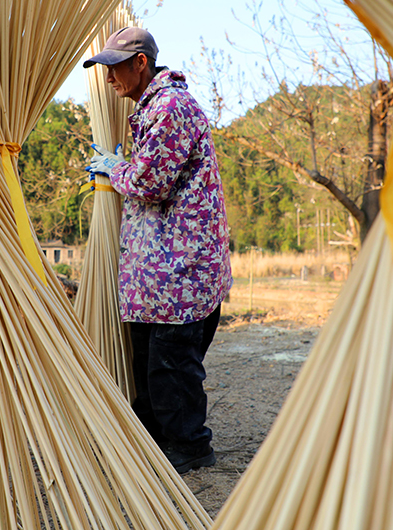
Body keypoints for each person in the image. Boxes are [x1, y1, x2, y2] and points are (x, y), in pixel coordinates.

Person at [84, 26, 232, 473]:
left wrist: (116, 168)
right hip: (156, 277)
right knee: (151, 368)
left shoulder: (171, 108)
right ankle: (154, 445)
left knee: (171, 368)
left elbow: (150, 182)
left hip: (179, 274)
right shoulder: (151, 110)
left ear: (141, 63)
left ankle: (190, 448)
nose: (109, 79)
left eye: (114, 67)